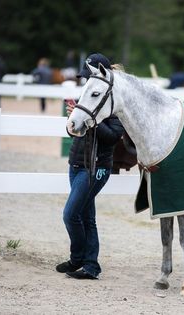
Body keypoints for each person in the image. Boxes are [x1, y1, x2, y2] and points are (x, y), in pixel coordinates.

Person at [56, 53, 125, 280]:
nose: (86, 80)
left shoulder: (111, 100)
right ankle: (90, 265)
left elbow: (114, 136)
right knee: (87, 218)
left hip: (96, 167)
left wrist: (91, 121)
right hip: (76, 164)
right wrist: (73, 119)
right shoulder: (88, 94)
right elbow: (73, 132)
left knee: (70, 215)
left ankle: (78, 259)